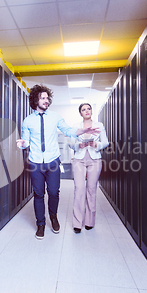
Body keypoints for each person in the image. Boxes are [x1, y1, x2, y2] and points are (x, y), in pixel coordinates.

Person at [16, 85, 100, 239]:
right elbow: (26, 141)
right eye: (43, 98)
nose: (46, 100)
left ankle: (53, 217)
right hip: (35, 162)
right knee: (38, 194)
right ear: (35, 99)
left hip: (53, 161)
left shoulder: (55, 117)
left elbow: (68, 130)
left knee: (54, 192)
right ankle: (40, 224)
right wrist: (23, 143)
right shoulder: (27, 121)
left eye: (47, 98)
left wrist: (84, 130)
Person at [68, 103, 109, 233]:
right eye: (83, 109)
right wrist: (78, 146)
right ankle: (77, 223)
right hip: (79, 159)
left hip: (95, 159)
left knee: (91, 190)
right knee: (79, 189)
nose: (87, 111)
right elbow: (70, 143)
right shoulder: (76, 127)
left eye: (89, 108)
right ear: (80, 113)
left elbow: (106, 142)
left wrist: (96, 144)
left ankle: (90, 221)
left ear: (91, 111)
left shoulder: (99, 125)